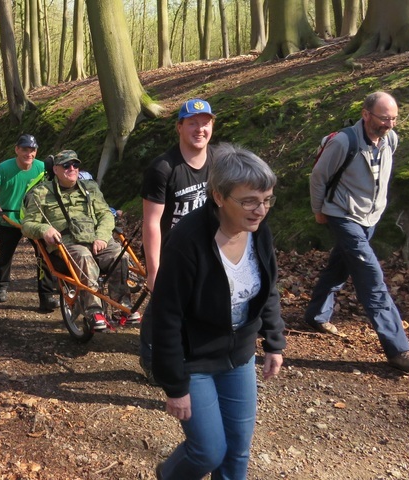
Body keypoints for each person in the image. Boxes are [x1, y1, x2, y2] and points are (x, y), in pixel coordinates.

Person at [151, 143, 285, 480]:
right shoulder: (188, 240)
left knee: (238, 449)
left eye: (266, 199)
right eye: (250, 201)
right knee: (208, 451)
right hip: (193, 359)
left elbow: (268, 286)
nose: (260, 210)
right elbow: (166, 315)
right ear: (219, 196)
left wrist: (273, 342)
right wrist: (175, 385)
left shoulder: (258, 231)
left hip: (238, 356)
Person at [305, 91, 409, 372]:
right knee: (372, 278)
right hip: (342, 215)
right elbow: (319, 177)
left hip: (370, 218)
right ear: (365, 114)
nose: (390, 125)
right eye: (384, 118)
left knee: (340, 266)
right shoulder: (343, 142)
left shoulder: (390, 139)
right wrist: (318, 210)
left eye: (394, 118)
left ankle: (315, 315)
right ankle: (398, 350)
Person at [139, 98, 216, 384]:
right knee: (163, 304)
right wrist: (154, 270)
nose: (200, 129)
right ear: (180, 127)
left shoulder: (218, 162)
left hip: (207, 249)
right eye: (192, 123)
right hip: (171, 251)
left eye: (205, 123)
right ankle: (150, 356)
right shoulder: (163, 168)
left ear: (212, 127)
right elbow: (151, 222)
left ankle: (196, 351)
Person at [21, 150, 135, 330]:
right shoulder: (41, 193)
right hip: (68, 242)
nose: (72, 169)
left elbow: (106, 214)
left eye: (75, 165)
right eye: (66, 165)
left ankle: (122, 306)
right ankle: (94, 309)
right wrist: (44, 229)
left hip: (98, 239)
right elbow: (27, 224)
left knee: (120, 256)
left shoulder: (90, 188)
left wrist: (102, 237)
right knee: (83, 256)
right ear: (56, 169)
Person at [0, 134, 58, 311]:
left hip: (34, 221)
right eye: (24, 149)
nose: (29, 153)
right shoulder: (4, 168)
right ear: (17, 149)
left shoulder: (42, 168)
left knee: (44, 255)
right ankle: (1, 286)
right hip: (9, 218)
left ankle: (46, 297)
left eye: (32, 150)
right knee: (6, 254)